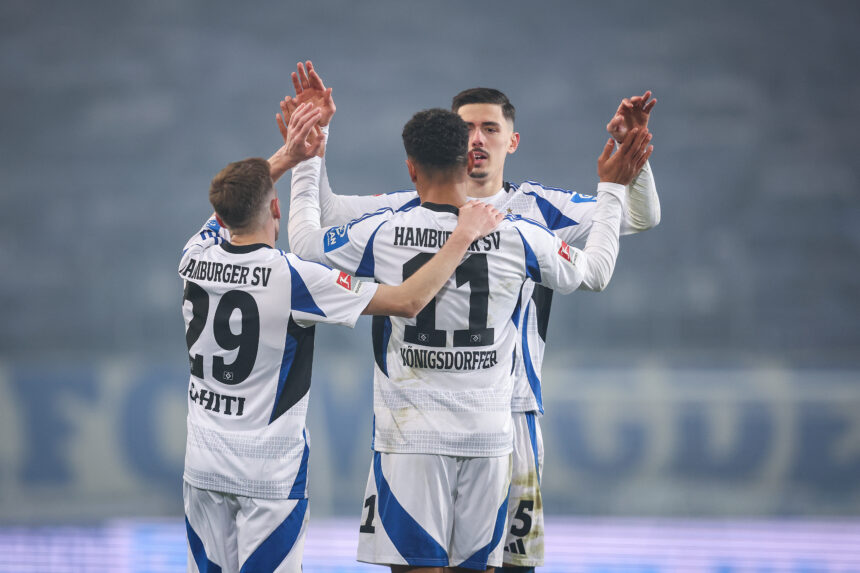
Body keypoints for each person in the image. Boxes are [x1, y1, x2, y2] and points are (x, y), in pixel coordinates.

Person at [277, 61, 660, 572]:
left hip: (512, 410)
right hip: (471, 418)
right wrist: (614, 178)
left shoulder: (534, 208)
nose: (477, 138)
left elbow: (639, 216)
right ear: (455, 144)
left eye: (490, 128)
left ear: (512, 141)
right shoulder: (449, 216)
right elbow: (326, 215)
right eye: (467, 128)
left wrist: (635, 162)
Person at [179, 102, 503, 573]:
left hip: (202, 467)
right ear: (275, 206)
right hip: (268, 476)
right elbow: (409, 301)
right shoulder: (294, 278)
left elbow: (226, 206)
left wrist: (289, 157)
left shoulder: (192, 256)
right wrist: (462, 237)